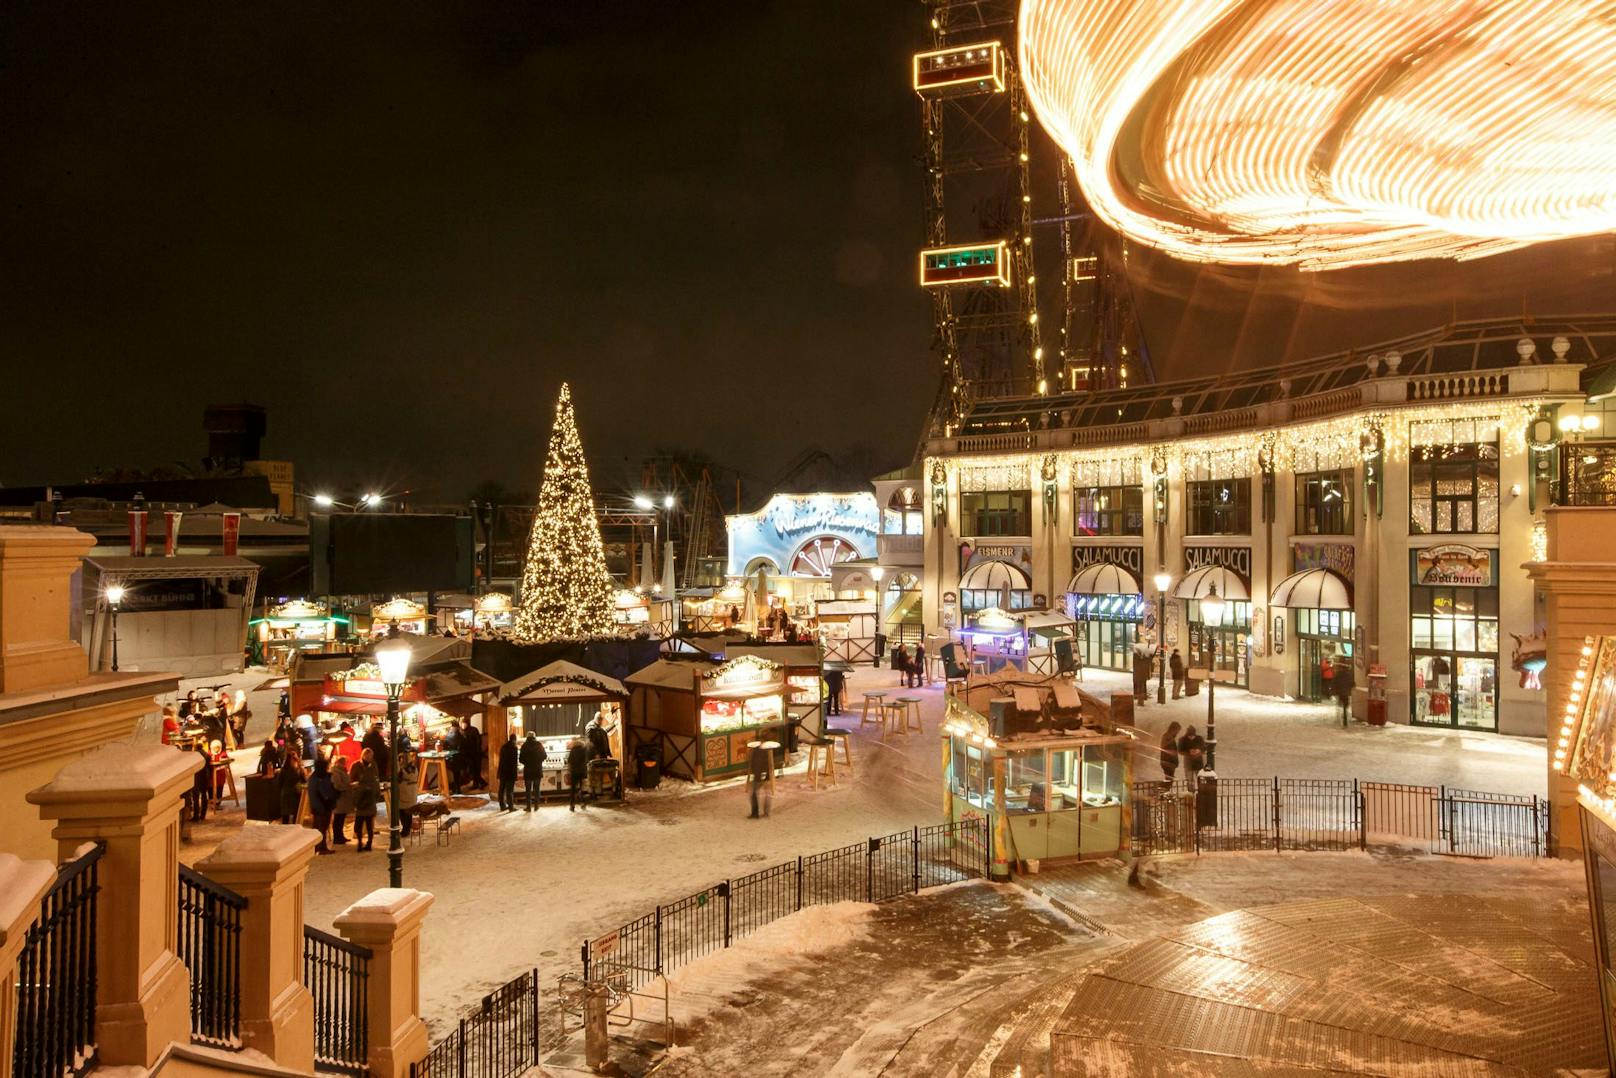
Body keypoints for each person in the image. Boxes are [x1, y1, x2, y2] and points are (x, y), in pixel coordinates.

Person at [351, 749, 381, 852]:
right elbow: (352, 780)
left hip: (370, 797)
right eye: (368, 756)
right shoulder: (356, 765)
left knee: (369, 824)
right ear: (363, 756)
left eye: (371, 756)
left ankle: (369, 843)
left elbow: (376, 778)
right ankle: (359, 842)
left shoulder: (373, 765)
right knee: (359, 823)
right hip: (360, 798)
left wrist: (376, 793)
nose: (369, 758)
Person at [307, 757, 338, 855]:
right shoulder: (320, 778)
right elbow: (324, 792)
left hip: (317, 806)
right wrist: (330, 799)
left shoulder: (314, 777)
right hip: (322, 806)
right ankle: (321, 847)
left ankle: (317, 847)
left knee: (319, 827)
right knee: (322, 827)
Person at [330, 755, 355, 845]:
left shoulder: (342, 771)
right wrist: (349, 786)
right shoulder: (336, 772)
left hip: (344, 799)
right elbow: (337, 785)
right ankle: (337, 837)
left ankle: (340, 836)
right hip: (339, 799)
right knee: (338, 819)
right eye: (345, 762)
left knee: (341, 818)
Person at [519, 731, 547, 811]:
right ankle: (536, 806)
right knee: (537, 789)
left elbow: (521, 759)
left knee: (528, 790)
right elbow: (544, 756)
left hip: (528, 771)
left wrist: (527, 762)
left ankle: (528, 807)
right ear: (534, 736)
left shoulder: (524, 746)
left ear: (527, 737)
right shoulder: (539, 744)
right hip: (537, 770)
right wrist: (539, 761)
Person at [394, 753, 419, 837]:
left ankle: (405, 830)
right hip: (412, 794)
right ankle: (407, 829)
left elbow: (397, 776)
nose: (400, 761)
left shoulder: (402, 771)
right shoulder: (414, 768)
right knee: (409, 813)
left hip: (404, 794)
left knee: (403, 813)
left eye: (401, 759)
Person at [276, 754, 304, 825]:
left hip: (286, 794)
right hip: (294, 794)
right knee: (295, 815)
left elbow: (279, 783)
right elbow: (304, 780)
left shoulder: (283, 770)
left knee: (286, 816)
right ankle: (294, 831)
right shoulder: (298, 770)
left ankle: (286, 832)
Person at [747, 741, 773, 819]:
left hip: (759, 776)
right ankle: (766, 812)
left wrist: (759, 775)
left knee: (754, 794)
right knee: (766, 794)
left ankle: (755, 813)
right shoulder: (765, 750)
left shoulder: (758, 752)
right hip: (763, 775)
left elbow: (758, 764)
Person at [441, 720, 465, 794]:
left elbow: (445, 746)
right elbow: (463, 745)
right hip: (458, 757)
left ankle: (455, 789)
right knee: (457, 774)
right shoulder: (460, 735)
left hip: (451, 757)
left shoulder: (448, 735)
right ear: (457, 726)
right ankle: (457, 789)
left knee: (454, 774)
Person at [497, 733, 519, 812]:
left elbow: (501, 760)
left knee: (501, 789)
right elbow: (514, 762)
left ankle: (502, 806)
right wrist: (515, 773)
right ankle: (511, 807)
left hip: (502, 771)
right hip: (510, 772)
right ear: (515, 740)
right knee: (509, 790)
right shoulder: (514, 748)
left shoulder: (503, 747)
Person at [461, 719, 485, 790]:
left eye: (464, 723)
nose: (463, 725)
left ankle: (477, 784)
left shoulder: (474, 730)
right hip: (468, 754)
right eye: (462, 723)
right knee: (472, 770)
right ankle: (481, 783)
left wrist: (477, 750)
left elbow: (478, 740)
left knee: (476, 769)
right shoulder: (461, 731)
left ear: (468, 724)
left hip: (475, 753)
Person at [567, 738, 589, 812]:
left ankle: (572, 805)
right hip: (582, 772)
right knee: (582, 788)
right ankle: (583, 803)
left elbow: (569, 761)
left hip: (574, 772)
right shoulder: (584, 750)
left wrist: (569, 771)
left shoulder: (573, 750)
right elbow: (586, 761)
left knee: (573, 789)